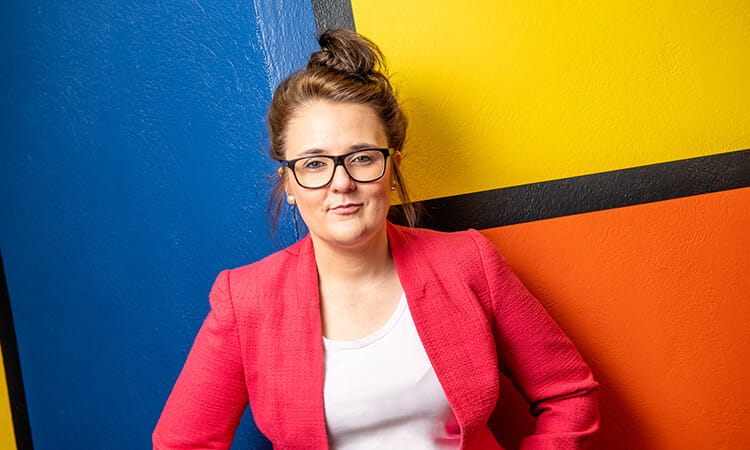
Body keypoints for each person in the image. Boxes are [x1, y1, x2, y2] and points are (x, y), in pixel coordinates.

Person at [153, 28, 599, 449]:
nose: (341, 183)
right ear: (288, 184)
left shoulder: (468, 261)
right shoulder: (245, 299)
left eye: (362, 158)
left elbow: (569, 394)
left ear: (393, 167)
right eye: (313, 164)